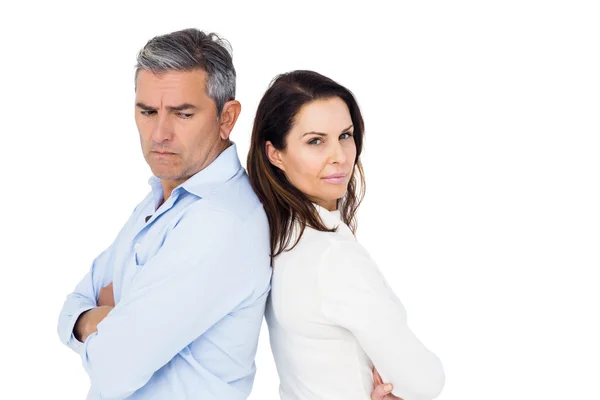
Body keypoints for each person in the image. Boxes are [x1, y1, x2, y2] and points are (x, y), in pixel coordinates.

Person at [57, 28, 272, 399]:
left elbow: (114, 366)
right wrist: (92, 320)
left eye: (182, 114)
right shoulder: (160, 195)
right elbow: (72, 307)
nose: (159, 133)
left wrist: (103, 320)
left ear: (227, 118)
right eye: (147, 112)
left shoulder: (222, 223)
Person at [247, 70, 445, 400]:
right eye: (315, 141)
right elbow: (426, 382)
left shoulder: (275, 237)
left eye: (345, 135)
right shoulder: (331, 256)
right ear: (275, 154)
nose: (339, 155)